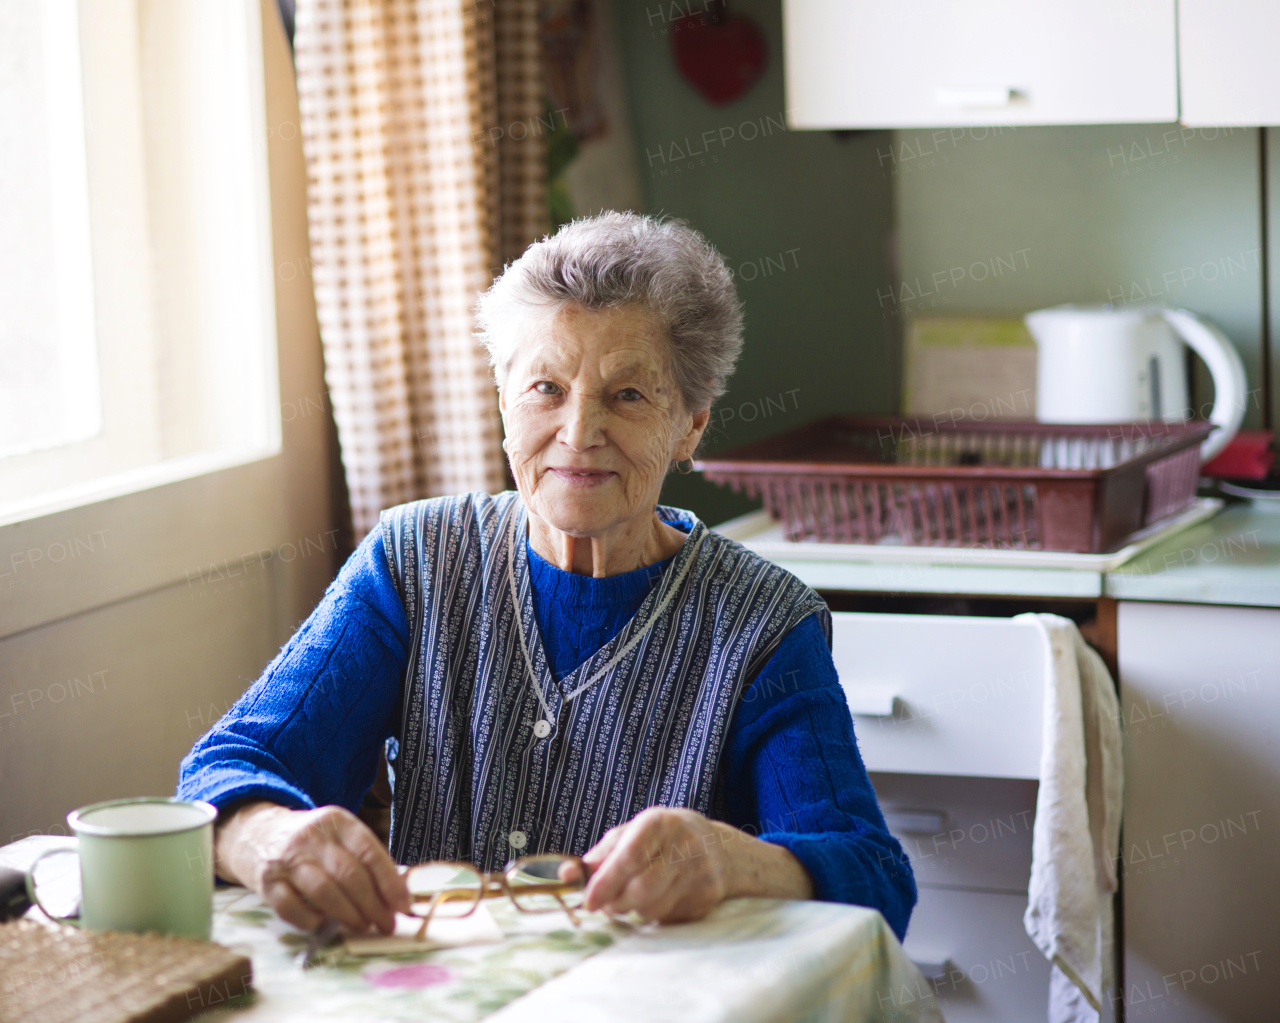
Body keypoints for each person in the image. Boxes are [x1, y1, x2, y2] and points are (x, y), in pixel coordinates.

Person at [179, 212, 916, 939]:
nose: (578, 432)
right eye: (545, 388)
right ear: (503, 402)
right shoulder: (415, 561)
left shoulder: (761, 624)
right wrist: (267, 837)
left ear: (691, 423)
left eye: (627, 394)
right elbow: (223, 768)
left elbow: (876, 878)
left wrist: (731, 858)